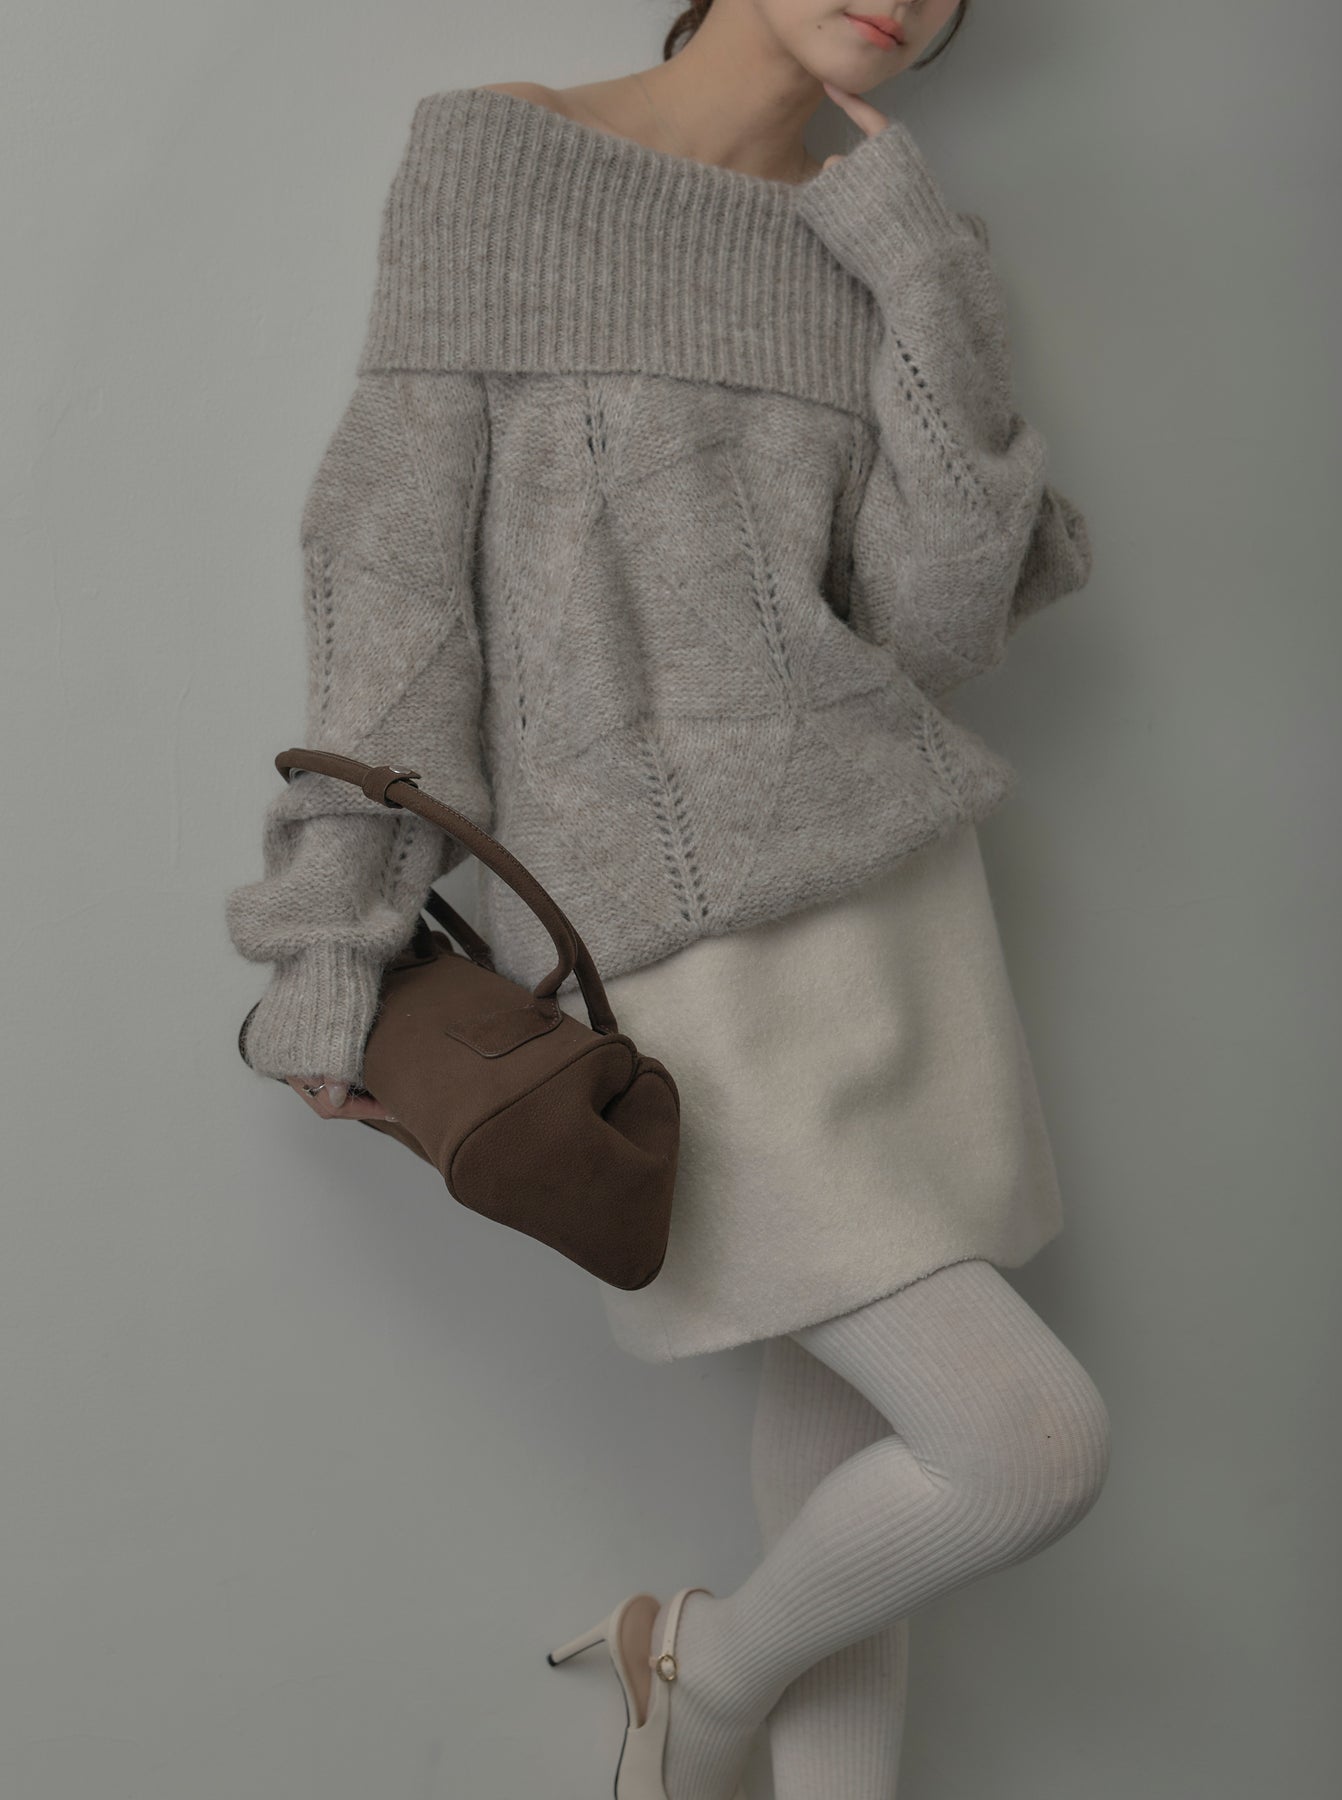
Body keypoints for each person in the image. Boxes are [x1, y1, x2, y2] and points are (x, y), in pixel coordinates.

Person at [226, 3, 1111, 1794]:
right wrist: (336, 940)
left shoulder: (890, 239)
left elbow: (936, 625)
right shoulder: (501, 156)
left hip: (902, 917)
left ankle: (751, 1731)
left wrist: (923, 277)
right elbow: (393, 583)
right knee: (1021, 1444)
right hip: (665, 952)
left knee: (852, 1437)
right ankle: (699, 1685)